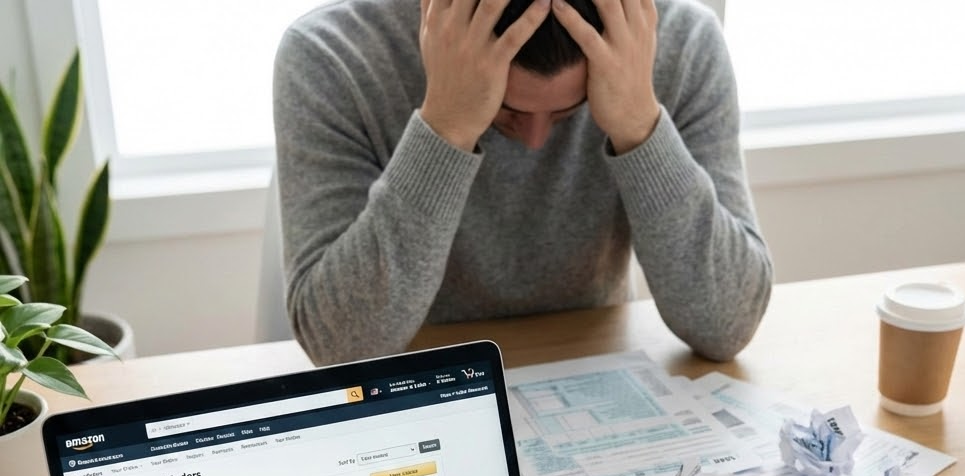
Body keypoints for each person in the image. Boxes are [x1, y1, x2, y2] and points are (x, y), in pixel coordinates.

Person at [273, 0, 772, 366]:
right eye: (507, 110)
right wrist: (447, 125)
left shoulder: (682, 42)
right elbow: (341, 348)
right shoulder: (329, 54)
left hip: (590, 377)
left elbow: (726, 322)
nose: (535, 140)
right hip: (419, 395)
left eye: (566, 111)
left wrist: (639, 121)